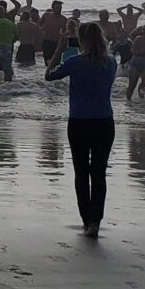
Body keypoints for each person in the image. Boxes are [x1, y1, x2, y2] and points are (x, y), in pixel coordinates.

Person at [48, 23, 117, 237]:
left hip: (79, 121)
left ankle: (86, 220)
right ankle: (96, 220)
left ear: (81, 40)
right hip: (104, 121)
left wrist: (59, 49)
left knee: (81, 172)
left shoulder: (74, 62)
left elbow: (49, 75)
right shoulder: (111, 62)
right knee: (99, 173)